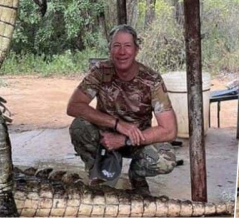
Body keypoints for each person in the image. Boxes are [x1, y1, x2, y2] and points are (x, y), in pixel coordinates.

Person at [66, 25, 178, 195]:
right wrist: (117, 124)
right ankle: (97, 172)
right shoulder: (100, 72)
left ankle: (137, 176)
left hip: (136, 141)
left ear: (136, 50)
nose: (122, 52)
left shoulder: (151, 80)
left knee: (165, 159)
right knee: (79, 127)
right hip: (105, 138)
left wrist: (124, 139)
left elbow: (169, 130)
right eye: (116, 46)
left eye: (127, 46)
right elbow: (73, 106)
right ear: (110, 49)